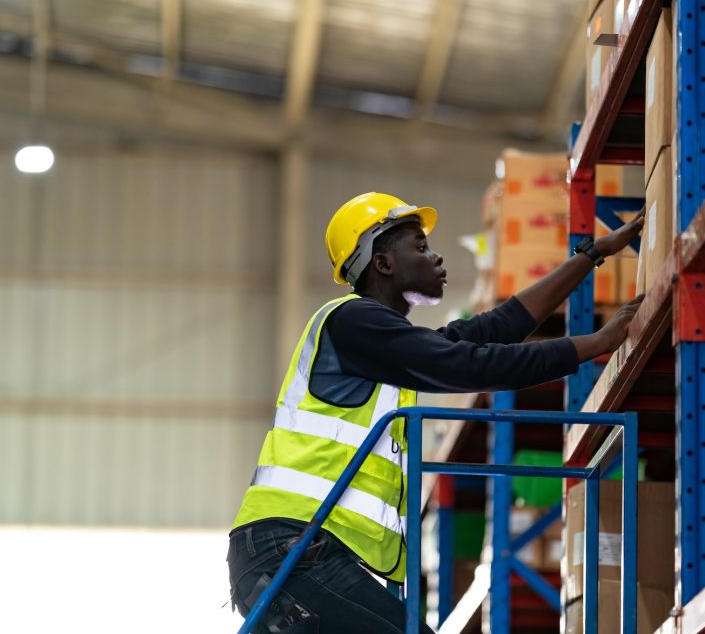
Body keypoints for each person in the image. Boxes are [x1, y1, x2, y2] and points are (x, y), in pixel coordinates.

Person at [227, 192, 644, 633]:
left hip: (296, 552)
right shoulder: (352, 323)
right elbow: (467, 364)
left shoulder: (381, 346)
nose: (436, 256)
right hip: (294, 550)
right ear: (383, 263)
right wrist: (593, 345)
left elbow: (495, 328)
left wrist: (591, 255)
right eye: (420, 248)